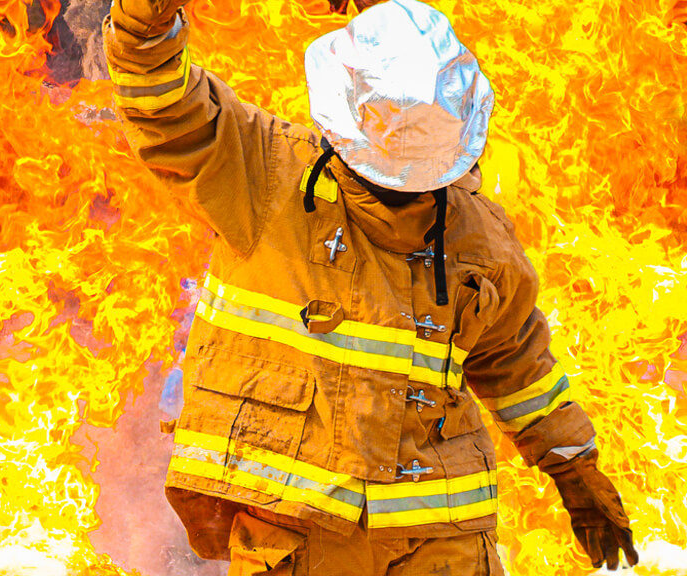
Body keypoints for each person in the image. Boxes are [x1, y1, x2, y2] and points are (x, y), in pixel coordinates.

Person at [102, 0, 639, 574]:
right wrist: (142, 23)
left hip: (441, 537)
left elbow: (515, 363)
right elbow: (163, 103)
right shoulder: (264, 173)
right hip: (305, 530)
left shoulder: (476, 235)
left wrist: (574, 467)